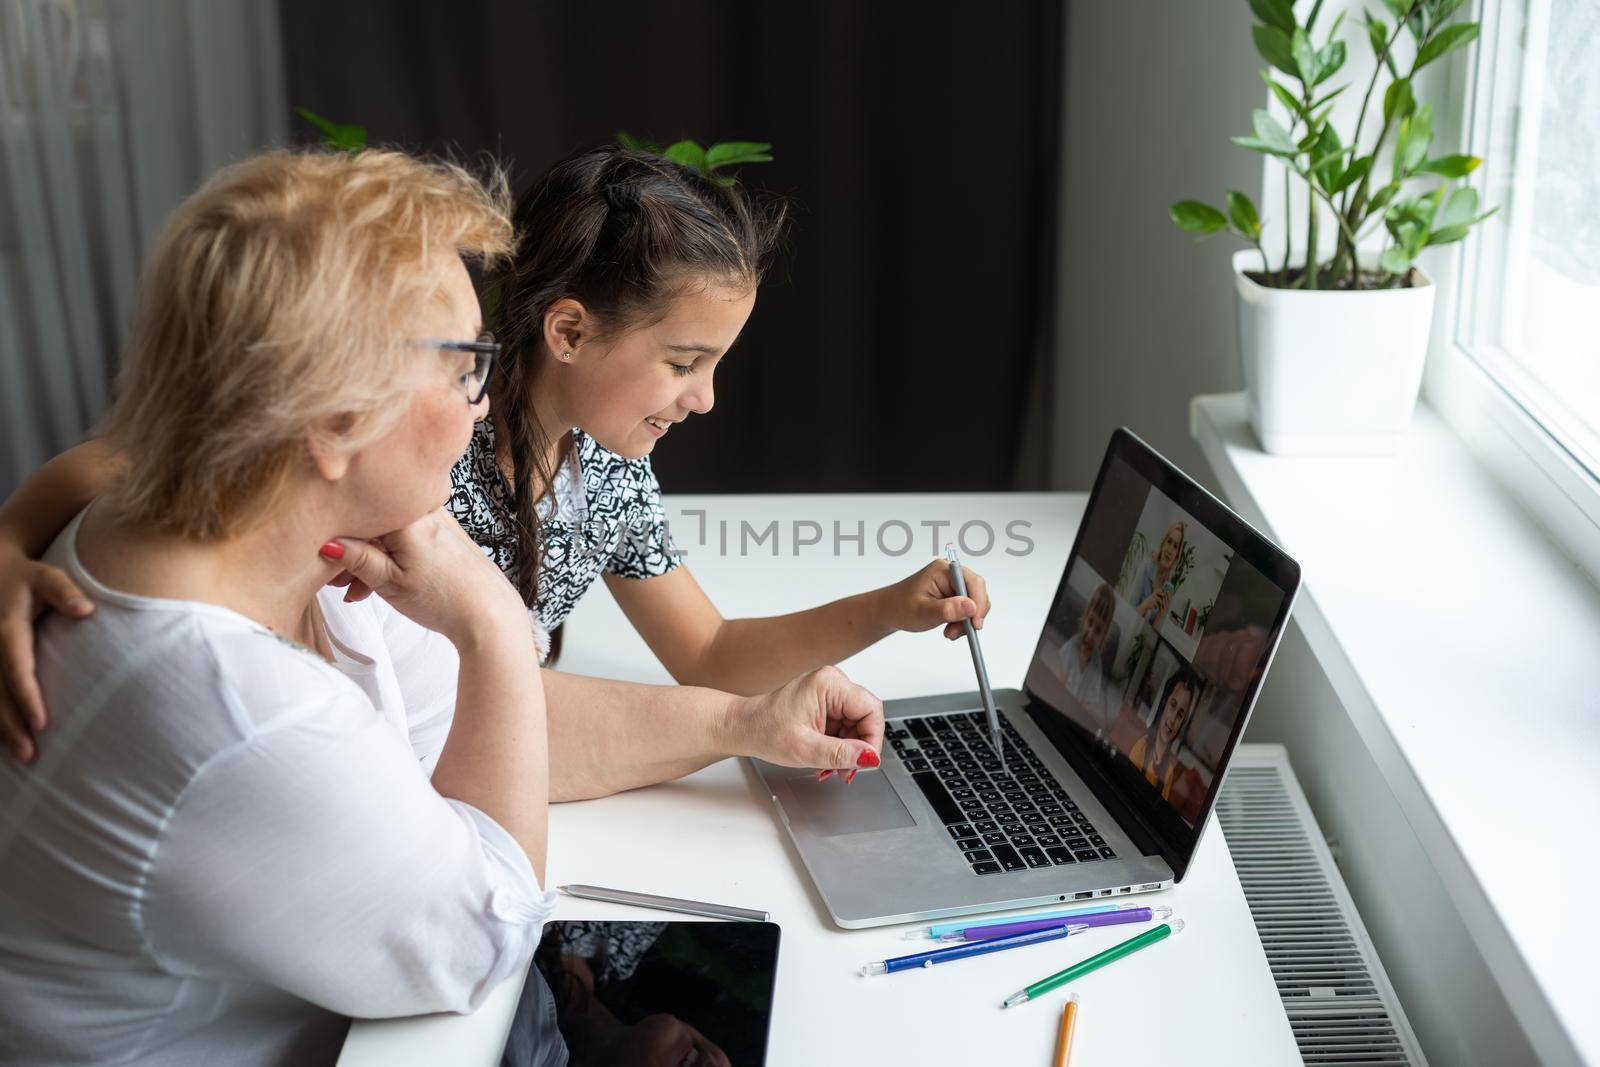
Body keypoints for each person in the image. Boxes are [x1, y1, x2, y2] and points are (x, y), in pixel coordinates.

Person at [0, 149, 882, 1066]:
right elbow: (488, 936)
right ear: (335, 421)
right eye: (468, 367)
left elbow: (484, 722)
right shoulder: (238, 707)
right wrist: (494, 623)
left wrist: (747, 720)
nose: (480, 409)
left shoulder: (281, 548)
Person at [0, 144, 974, 781]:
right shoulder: (411, 439)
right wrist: (7, 542)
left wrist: (888, 606)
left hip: (501, 746)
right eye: (684, 362)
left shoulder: (608, 474)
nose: (705, 397)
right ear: (568, 329)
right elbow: (131, 458)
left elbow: (708, 652)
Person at [1127, 664, 1198, 800]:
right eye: (1172, 705)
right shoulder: (1141, 747)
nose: (1172, 719)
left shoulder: (1169, 772)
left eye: (1180, 715)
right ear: (1164, 704)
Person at [1058, 582, 1116, 728]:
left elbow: (1088, 705)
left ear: (1104, 636)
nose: (1090, 634)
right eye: (1090, 622)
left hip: (1073, 719)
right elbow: (1058, 683)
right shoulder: (1071, 647)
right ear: (1084, 618)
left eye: (1097, 630)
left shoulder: (1097, 665)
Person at [1132, 519, 1186, 627]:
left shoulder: (1168, 590)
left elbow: (1152, 638)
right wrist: (1146, 604)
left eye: (1175, 546)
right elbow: (1127, 612)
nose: (1170, 550)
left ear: (1176, 556)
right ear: (1163, 544)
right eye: (1169, 542)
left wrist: (1161, 615)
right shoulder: (1145, 568)